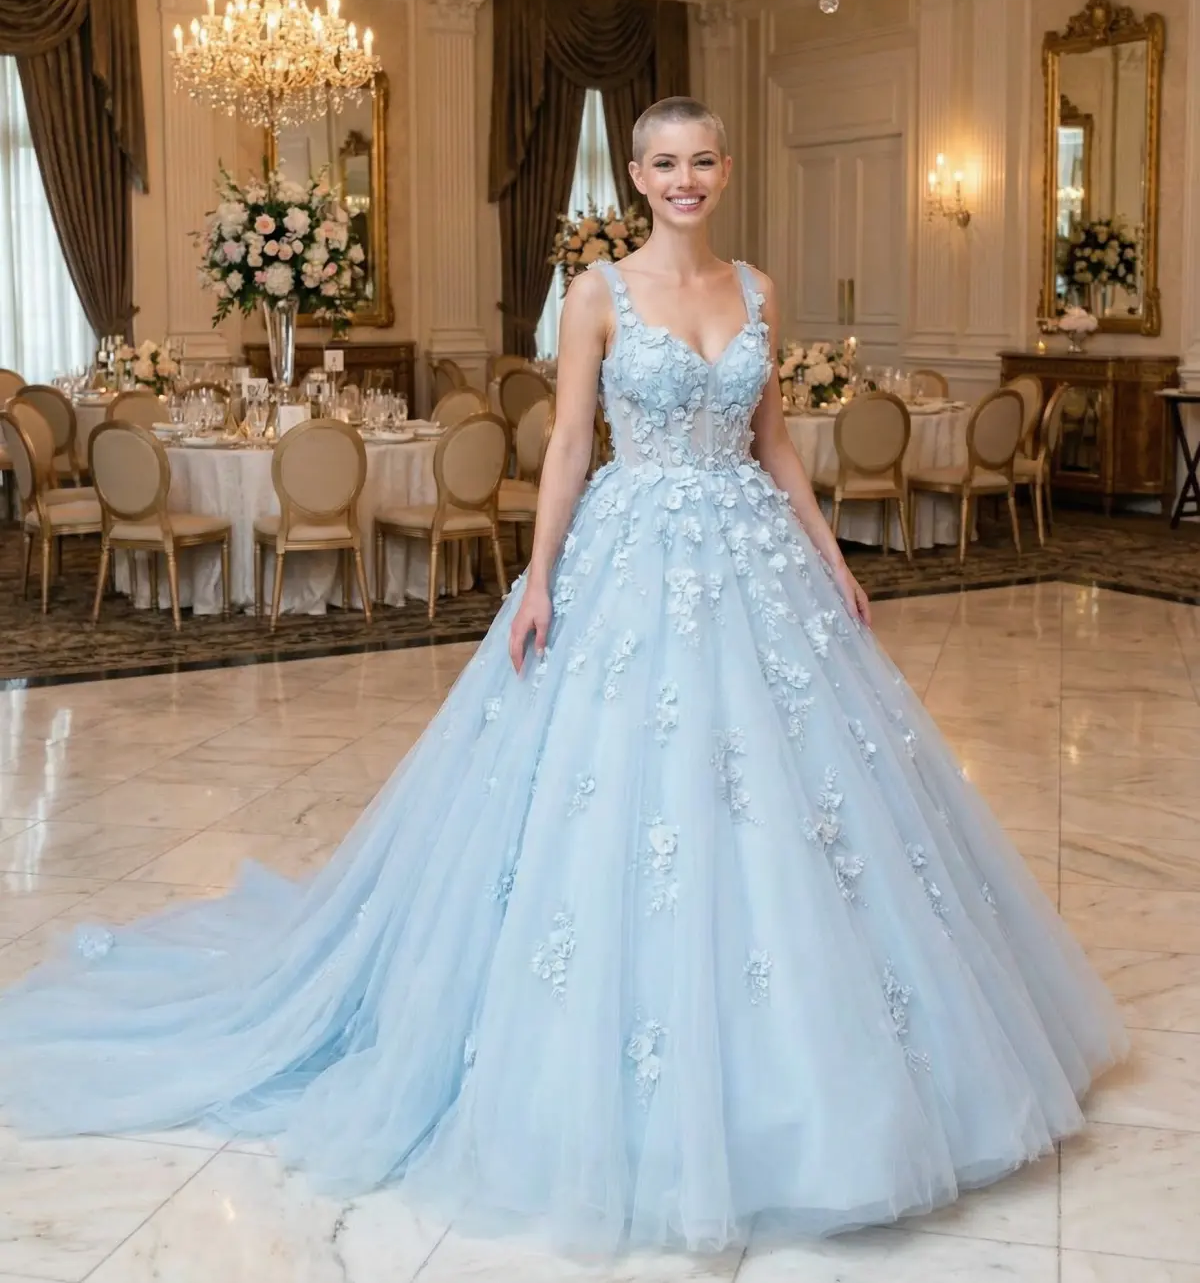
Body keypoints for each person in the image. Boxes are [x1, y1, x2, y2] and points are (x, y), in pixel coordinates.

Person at [0, 97, 1126, 1256]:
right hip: (630, 551)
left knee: (801, 798)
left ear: (723, 169)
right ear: (636, 176)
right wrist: (538, 579)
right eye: (664, 163)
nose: (685, 179)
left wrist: (832, 556)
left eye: (702, 161)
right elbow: (573, 444)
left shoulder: (757, 287)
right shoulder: (598, 293)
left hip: (753, 552)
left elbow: (776, 443)